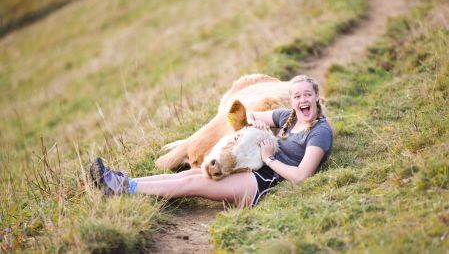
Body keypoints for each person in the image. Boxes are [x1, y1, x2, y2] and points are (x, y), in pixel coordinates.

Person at [90, 75, 333, 206]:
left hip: (266, 182)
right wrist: (257, 122)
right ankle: (123, 181)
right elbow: (246, 114)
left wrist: (269, 158)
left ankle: (122, 188)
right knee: (188, 176)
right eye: (297, 96)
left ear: (315, 98)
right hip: (257, 169)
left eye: (307, 95)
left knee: (194, 185)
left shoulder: (319, 132)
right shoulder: (287, 117)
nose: (302, 100)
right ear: (292, 100)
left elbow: (302, 176)